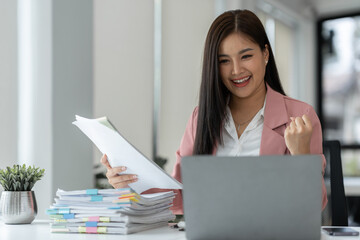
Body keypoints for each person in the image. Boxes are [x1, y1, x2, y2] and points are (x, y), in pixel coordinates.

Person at [101, 9, 328, 214]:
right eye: (224, 61)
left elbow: (314, 206)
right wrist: (131, 182)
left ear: (265, 54)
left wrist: (302, 157)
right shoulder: (201, 118)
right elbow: (179, 196)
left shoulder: (299, 117)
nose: (236, 70)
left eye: (246, 56)